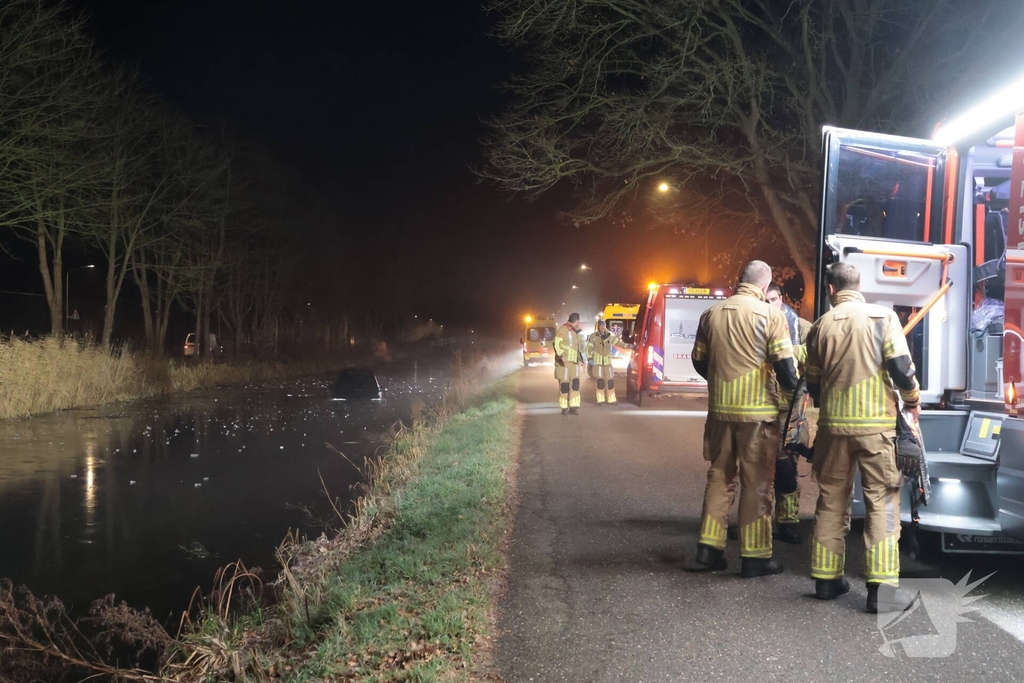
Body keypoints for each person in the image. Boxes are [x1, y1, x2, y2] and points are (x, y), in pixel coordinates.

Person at [804, 262, 921, 613]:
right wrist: (913, 401)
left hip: (833, 428)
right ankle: (881, 593)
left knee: (831, 500)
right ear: (859, 286)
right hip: (876, 430)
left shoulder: (820, 326)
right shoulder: (882, 317)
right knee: (882, 504)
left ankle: (826, 582)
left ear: (830, 290)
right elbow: (901, 368)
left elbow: (813, 384)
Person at [691, 260, 799, 577]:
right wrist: (794, 395)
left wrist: (721, 381)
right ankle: (755, 557)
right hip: (758, 415)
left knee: (720, 477)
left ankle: (709, 548)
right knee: (757, 484)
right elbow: (785, 368)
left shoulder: (711, 314)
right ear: (764, 287)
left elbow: (700, 361)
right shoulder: (771, 315)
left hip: (721, 411)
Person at [766, 282, 811, 544]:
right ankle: (756, 521)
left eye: (772, 300)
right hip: (762, 405)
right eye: (764, 300)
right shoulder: (758, 323)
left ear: (781, 299)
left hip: (791, 409)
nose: (768, 305)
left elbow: (814, 362)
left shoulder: (802, 328)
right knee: (757, 469)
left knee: (786, 467)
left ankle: (788, 522)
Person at [586, 319, 631, 405]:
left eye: (603, 325)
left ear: (605, 326)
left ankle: (611, 399)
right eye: (600, 325)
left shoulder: (610, 335)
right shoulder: (593, 336)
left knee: (610, 381)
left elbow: (619, 343)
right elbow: (589, 348)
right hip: (598, 363)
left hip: (608, 363)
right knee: (600, 382)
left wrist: (628, 346)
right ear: (598, 326)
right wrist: (590, 358)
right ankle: (600, 399)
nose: (602, 327)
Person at [554, 312, 586, 415]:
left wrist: (582, 359)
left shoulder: (576, 331)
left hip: (575, 363)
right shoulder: (563, 329)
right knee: (565, 385)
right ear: (576, 321)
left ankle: (574, 407)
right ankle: (564, 407)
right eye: (578, 321)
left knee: (576, 384)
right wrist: (562, 355)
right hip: (565, 363)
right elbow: (556, 343)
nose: (579, 323)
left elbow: (578, 347)